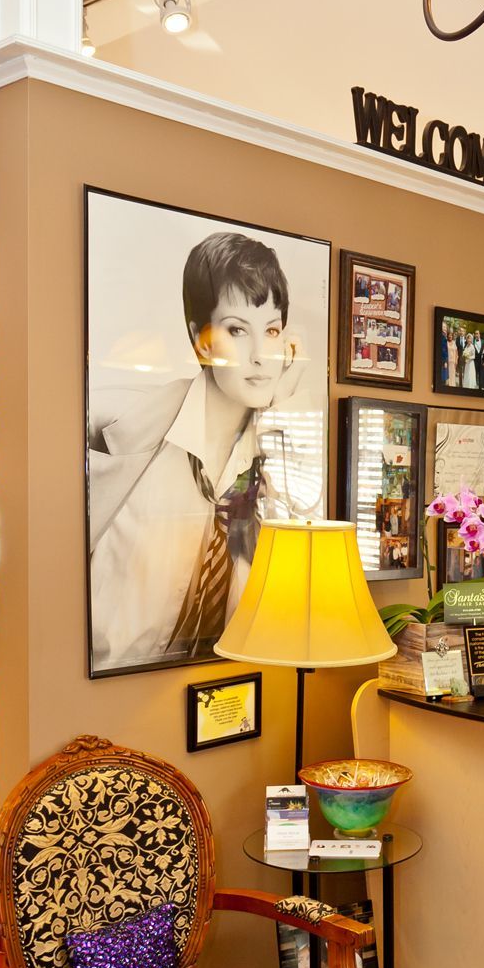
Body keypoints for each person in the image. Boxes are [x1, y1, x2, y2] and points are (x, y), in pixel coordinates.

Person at [88, 230, 307, 674]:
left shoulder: (274, 464)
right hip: (99, 687)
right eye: (237, 330)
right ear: (201, 340)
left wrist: (279, 414)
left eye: (271, 331)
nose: (260, 356)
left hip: (219, 688)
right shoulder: (121, 430)